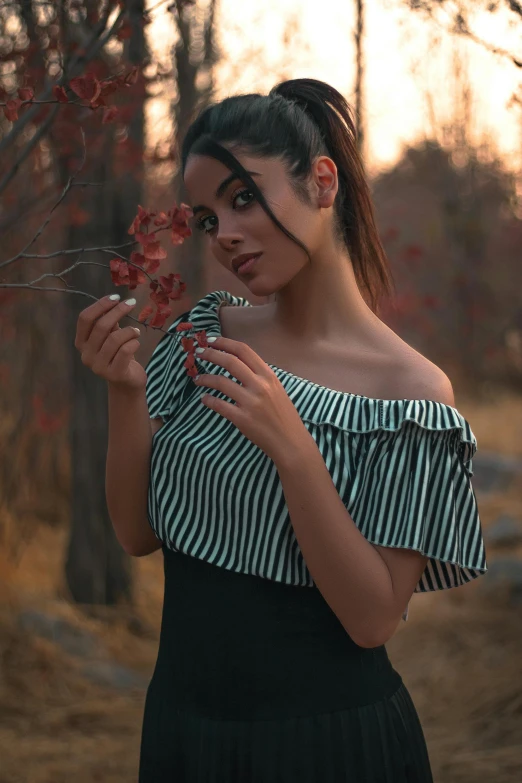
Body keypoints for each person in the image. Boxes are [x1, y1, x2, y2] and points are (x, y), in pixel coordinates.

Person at [75, 78, 488, 782]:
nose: (225, 235)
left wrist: (294, 447)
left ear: (322, 182)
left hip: (329, 747)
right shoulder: (202, 334)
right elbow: (138, 532)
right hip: (183, 734)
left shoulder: (411, 393)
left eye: (242, 198)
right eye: (207, 218)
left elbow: (372, 618)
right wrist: (125, 393)